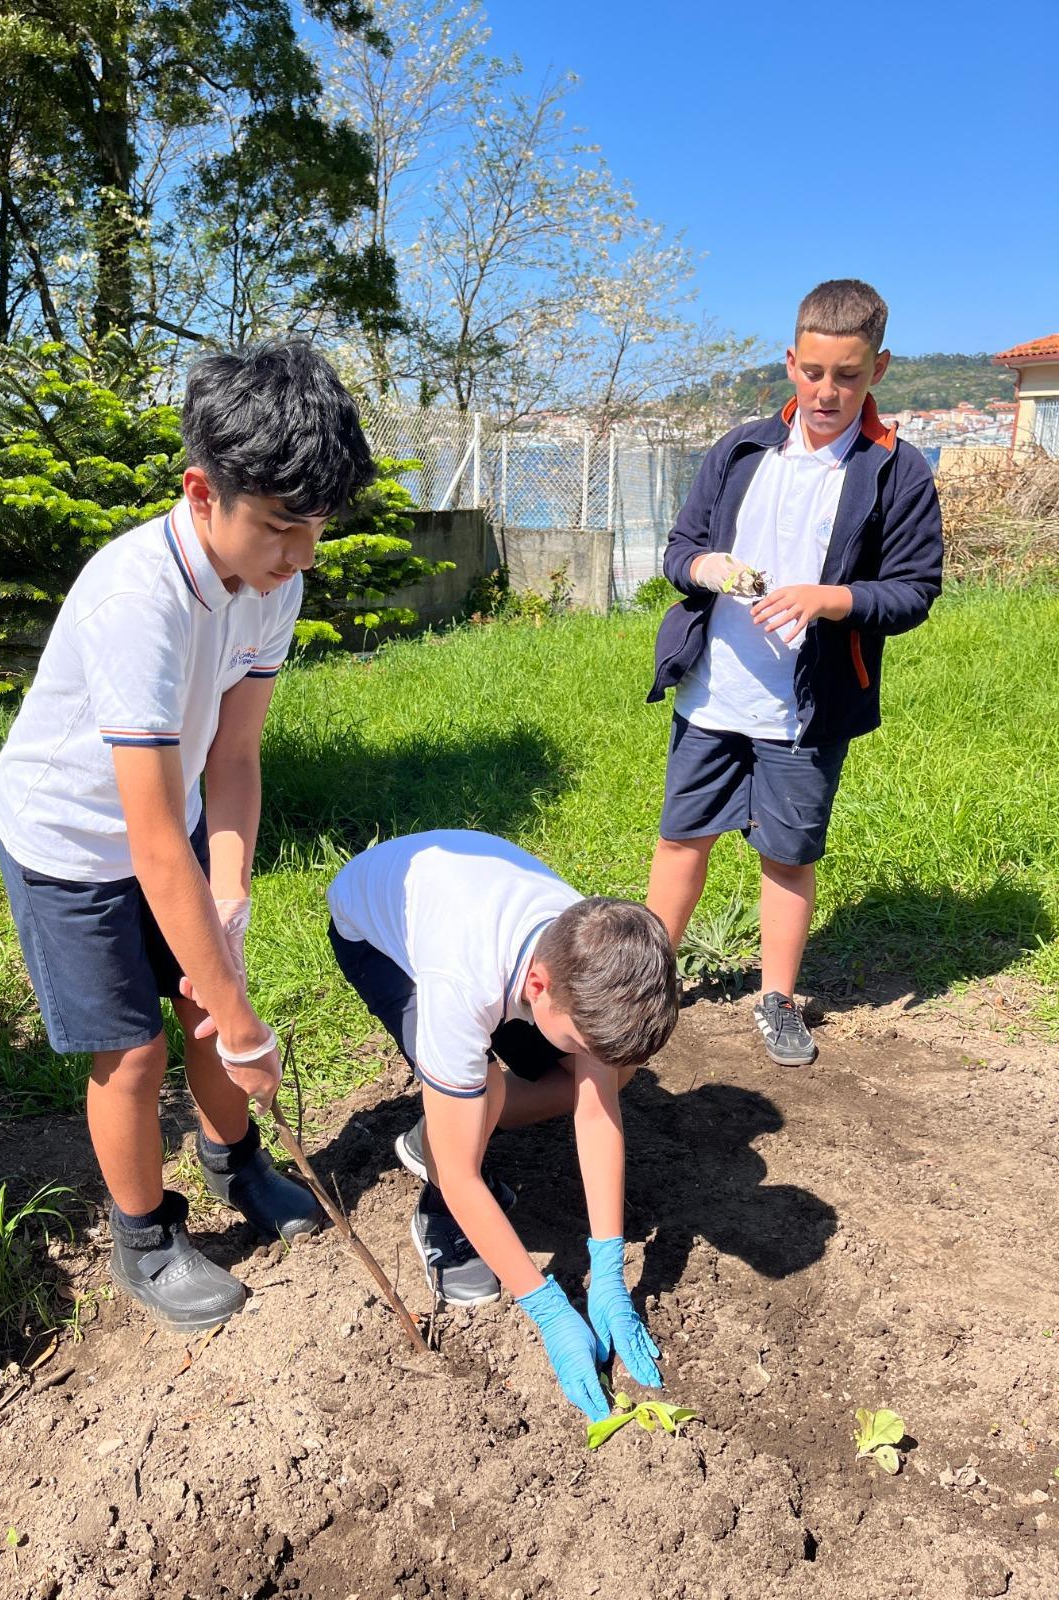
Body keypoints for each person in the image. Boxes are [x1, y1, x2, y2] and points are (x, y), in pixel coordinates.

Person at [0, 341, 375, 1331]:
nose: (301, 556)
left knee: (211, 989)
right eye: (280, 526)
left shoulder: (273, 581)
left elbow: (233, 756)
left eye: (316, 529)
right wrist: (245, 1026)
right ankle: (145, 1237)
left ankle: (234, 1162)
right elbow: (150, 839)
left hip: (175, 824)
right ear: (203, 493)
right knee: (134, 1051)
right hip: (72, 844)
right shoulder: (138, 601)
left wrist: (230, 890)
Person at [645, 279, 943, 1065]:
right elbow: (679, 550)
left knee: (788, 856)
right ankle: (648, 980)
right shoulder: (742, 450)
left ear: (879, 368)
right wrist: (706, 567)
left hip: (807, 709)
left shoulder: (897, 471)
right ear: (790, 362)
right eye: (812, 372)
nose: (826, 392)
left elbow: (915, 590)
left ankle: (775, 999)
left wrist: (830, 599)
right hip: (713, 693)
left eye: (847, 375)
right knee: (682, 839)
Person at [326, 829, 679, 1420]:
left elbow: (597, 1108)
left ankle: (446, 1122)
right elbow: (462, 1176)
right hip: (376, 934)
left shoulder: (596, 956)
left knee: (612, 1074)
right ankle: (439, 1171)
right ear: (538, 988)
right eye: (581, 1039)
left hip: (485, 932)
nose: (586, 1054)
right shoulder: (460, 986)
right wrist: (549, 1309)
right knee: (479, 1096)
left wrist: (609, 1269)